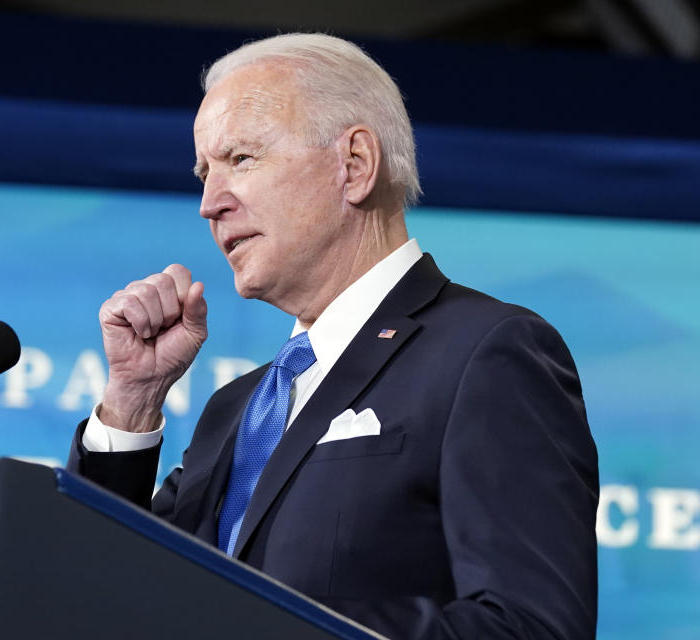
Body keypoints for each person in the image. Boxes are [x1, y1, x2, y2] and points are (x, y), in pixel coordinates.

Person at [67, 33, 599, 640]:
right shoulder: (234, 409)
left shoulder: (487, 353)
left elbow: (532, 627)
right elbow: (112, 593)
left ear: (354, 166)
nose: (209, 203)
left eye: (241, 158)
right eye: (203, 172)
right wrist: (132, 403)